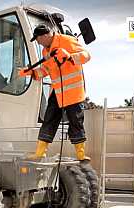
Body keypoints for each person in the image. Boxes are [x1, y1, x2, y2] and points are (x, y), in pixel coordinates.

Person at [19, 24, 91, 161]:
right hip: (57, 92)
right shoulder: (46, 52)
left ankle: (81, 155)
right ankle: (39, 153)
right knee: (49, 120)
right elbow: (45, 71)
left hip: (73, 92)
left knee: (76, 122)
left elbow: (86, 56)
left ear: (45, 35)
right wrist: (30, 73)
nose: (38, 43)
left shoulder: (67, 40)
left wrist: (69, 56)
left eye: (38, 39)